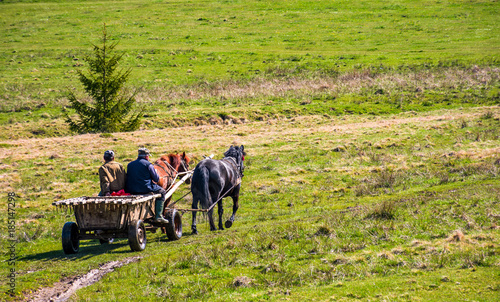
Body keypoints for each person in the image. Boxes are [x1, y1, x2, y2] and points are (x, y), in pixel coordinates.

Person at [126, 148, 169, 224]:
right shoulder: (148, 165)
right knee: (162, 192)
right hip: (145, 188)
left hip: (131, 189)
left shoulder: (130, 164)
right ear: (146, 156)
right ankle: (158, 216)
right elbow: (156, 179)